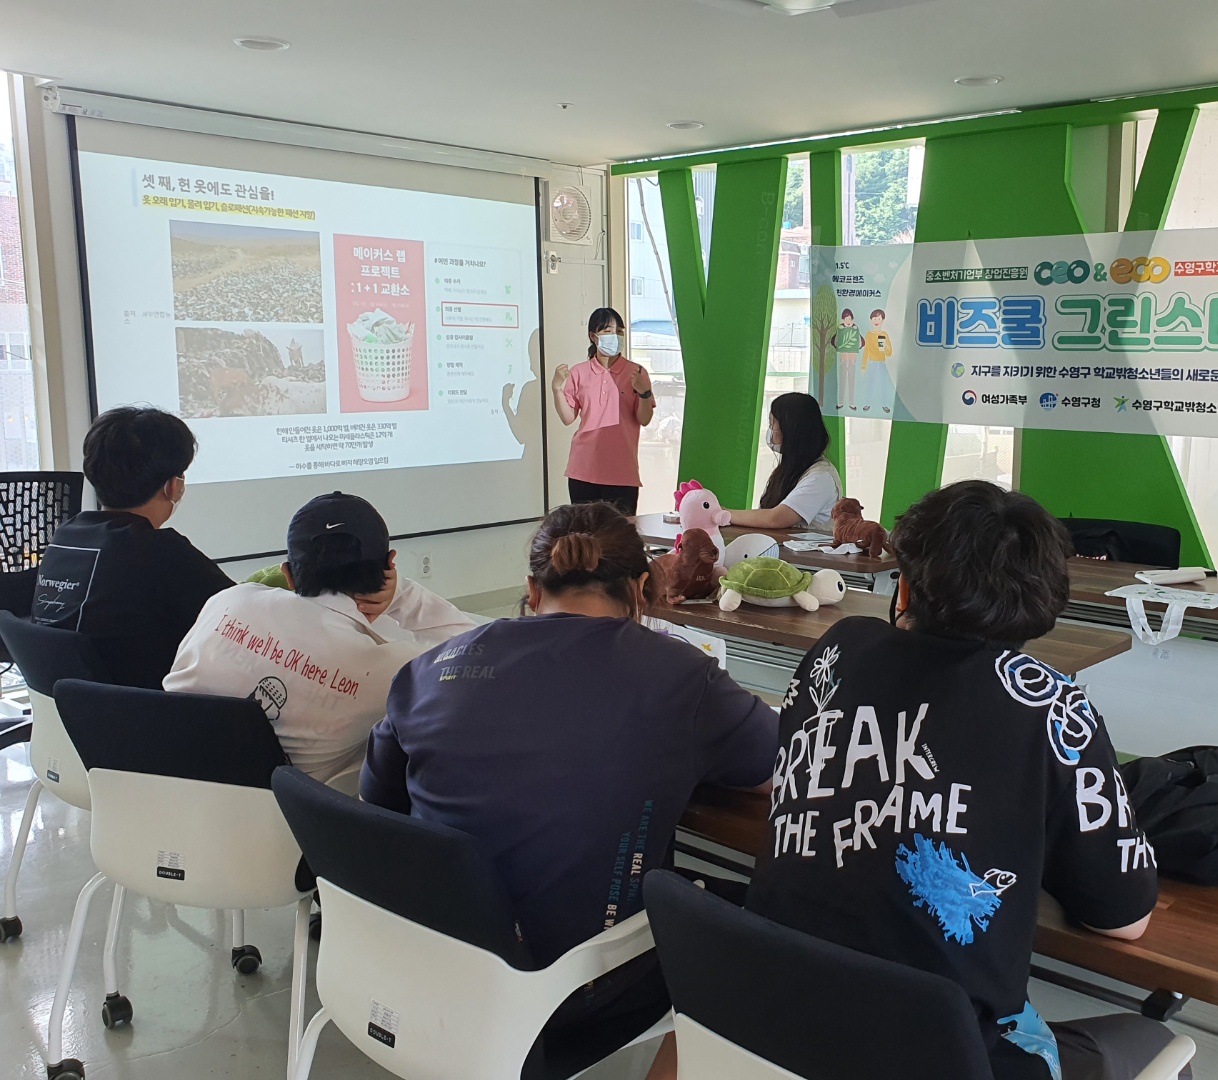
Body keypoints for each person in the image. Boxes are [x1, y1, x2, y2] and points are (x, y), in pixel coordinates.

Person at [743, 480, 1176, 1080]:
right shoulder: (1050, 707)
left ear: (906, 586)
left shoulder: (837, 650)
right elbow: (1124, 919)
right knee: (1152, 1042)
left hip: (766, 1034)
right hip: (940, 1056)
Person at [360, 502, 776, 1074]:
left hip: (429, 973)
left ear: (533, 590)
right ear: (641, 589)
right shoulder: (681, 675)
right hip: (569, 995)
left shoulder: (432, 667)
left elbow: (377, 806)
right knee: (762, 926)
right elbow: (783, 764)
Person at [165, 492, 473, 780]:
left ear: (287, 574)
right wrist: (402, 594)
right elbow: (476, 647)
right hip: (290, 812)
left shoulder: (228, 602)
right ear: (389, 564)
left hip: (168, 783)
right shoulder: (396, 671)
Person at [30, 406, 231, 689]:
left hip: (83, 706)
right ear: (173, 486)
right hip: (154, 706)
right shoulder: (160, 551)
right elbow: (243, 614)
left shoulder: (66, 535)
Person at [552, 307, 654, 515]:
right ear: (593, 336)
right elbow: (568, 417)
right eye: (608, 331)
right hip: (583, 471)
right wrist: (556, 389)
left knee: (620, 532)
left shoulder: (636, 372)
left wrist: (644, 393)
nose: (615, 337)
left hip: (622, 473)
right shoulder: (579, 372)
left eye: (619, 332)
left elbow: (644, 419)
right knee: (584, 532)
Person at [728, 392, 843, 531]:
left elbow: (776, 519)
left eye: (773, 425)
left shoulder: (821, 477)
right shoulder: (791, 469)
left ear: (791, 430)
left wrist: (724, 514)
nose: (770, 432)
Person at [830, 308, 862, 411]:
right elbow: (835, 342)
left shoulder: (855, 330)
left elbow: (860, 343)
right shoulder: (840, 330)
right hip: (843, 360)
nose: (848, 321)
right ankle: (841, 402)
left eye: (849, 318)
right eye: (846, 319)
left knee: (852, 381)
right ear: (843, 320)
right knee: (842, 380)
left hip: (852, 360)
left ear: (852, 319)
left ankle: (852, 403)